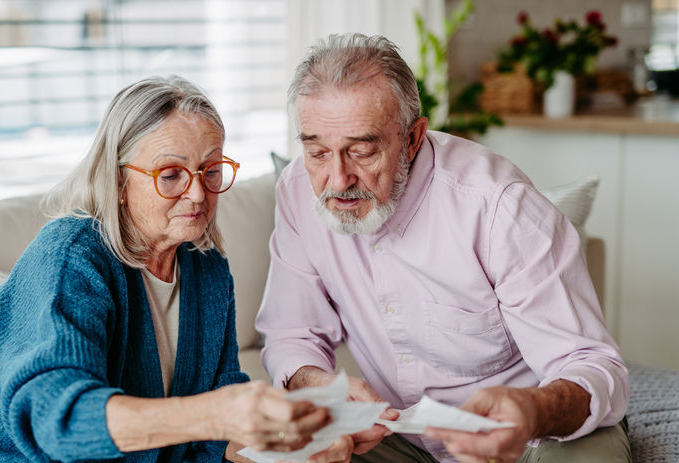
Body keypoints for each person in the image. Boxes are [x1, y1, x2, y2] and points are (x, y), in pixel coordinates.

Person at [0, 76, 331, 463]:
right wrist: (214, 415)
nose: (198, 193)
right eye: (170, 175)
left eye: (211, 171)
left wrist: (298, 444)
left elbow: (215, 438)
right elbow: (61, 420)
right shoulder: (71, 255)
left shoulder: (206, 268)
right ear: (117, 182)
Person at [255, 33, 630, 463]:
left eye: (361, 152)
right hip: (398, 435)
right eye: (317, 151)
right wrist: (316, 383)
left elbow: (592, 367)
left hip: (533, 435)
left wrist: (532, 410)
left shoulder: (499, 207)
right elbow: (292, 332)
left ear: (413, 138)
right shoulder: (299, 192)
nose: (337, 180)